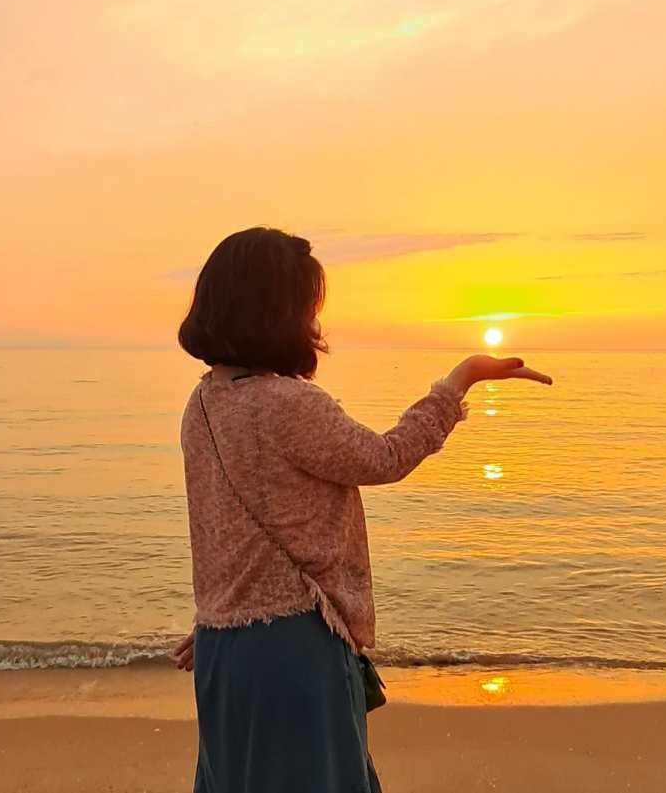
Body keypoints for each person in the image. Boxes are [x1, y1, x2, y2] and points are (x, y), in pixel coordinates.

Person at [171, 226, 551, 792]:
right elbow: (386, 457)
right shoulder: (285, 403)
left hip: (226, 647)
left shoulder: (201, 403)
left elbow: (220, 533)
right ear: (279, 312)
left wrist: (220, 619)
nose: (312, 322)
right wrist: (459, 380)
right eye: (306, 305)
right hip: (292, 646)